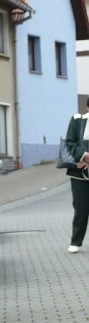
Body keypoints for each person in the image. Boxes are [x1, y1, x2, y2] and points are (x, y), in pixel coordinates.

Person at [64, 100, 89, 253]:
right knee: (81, 207)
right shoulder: (77, 120)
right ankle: (76, 241)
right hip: (79, 172)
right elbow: (70, 142)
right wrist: (84, 156)